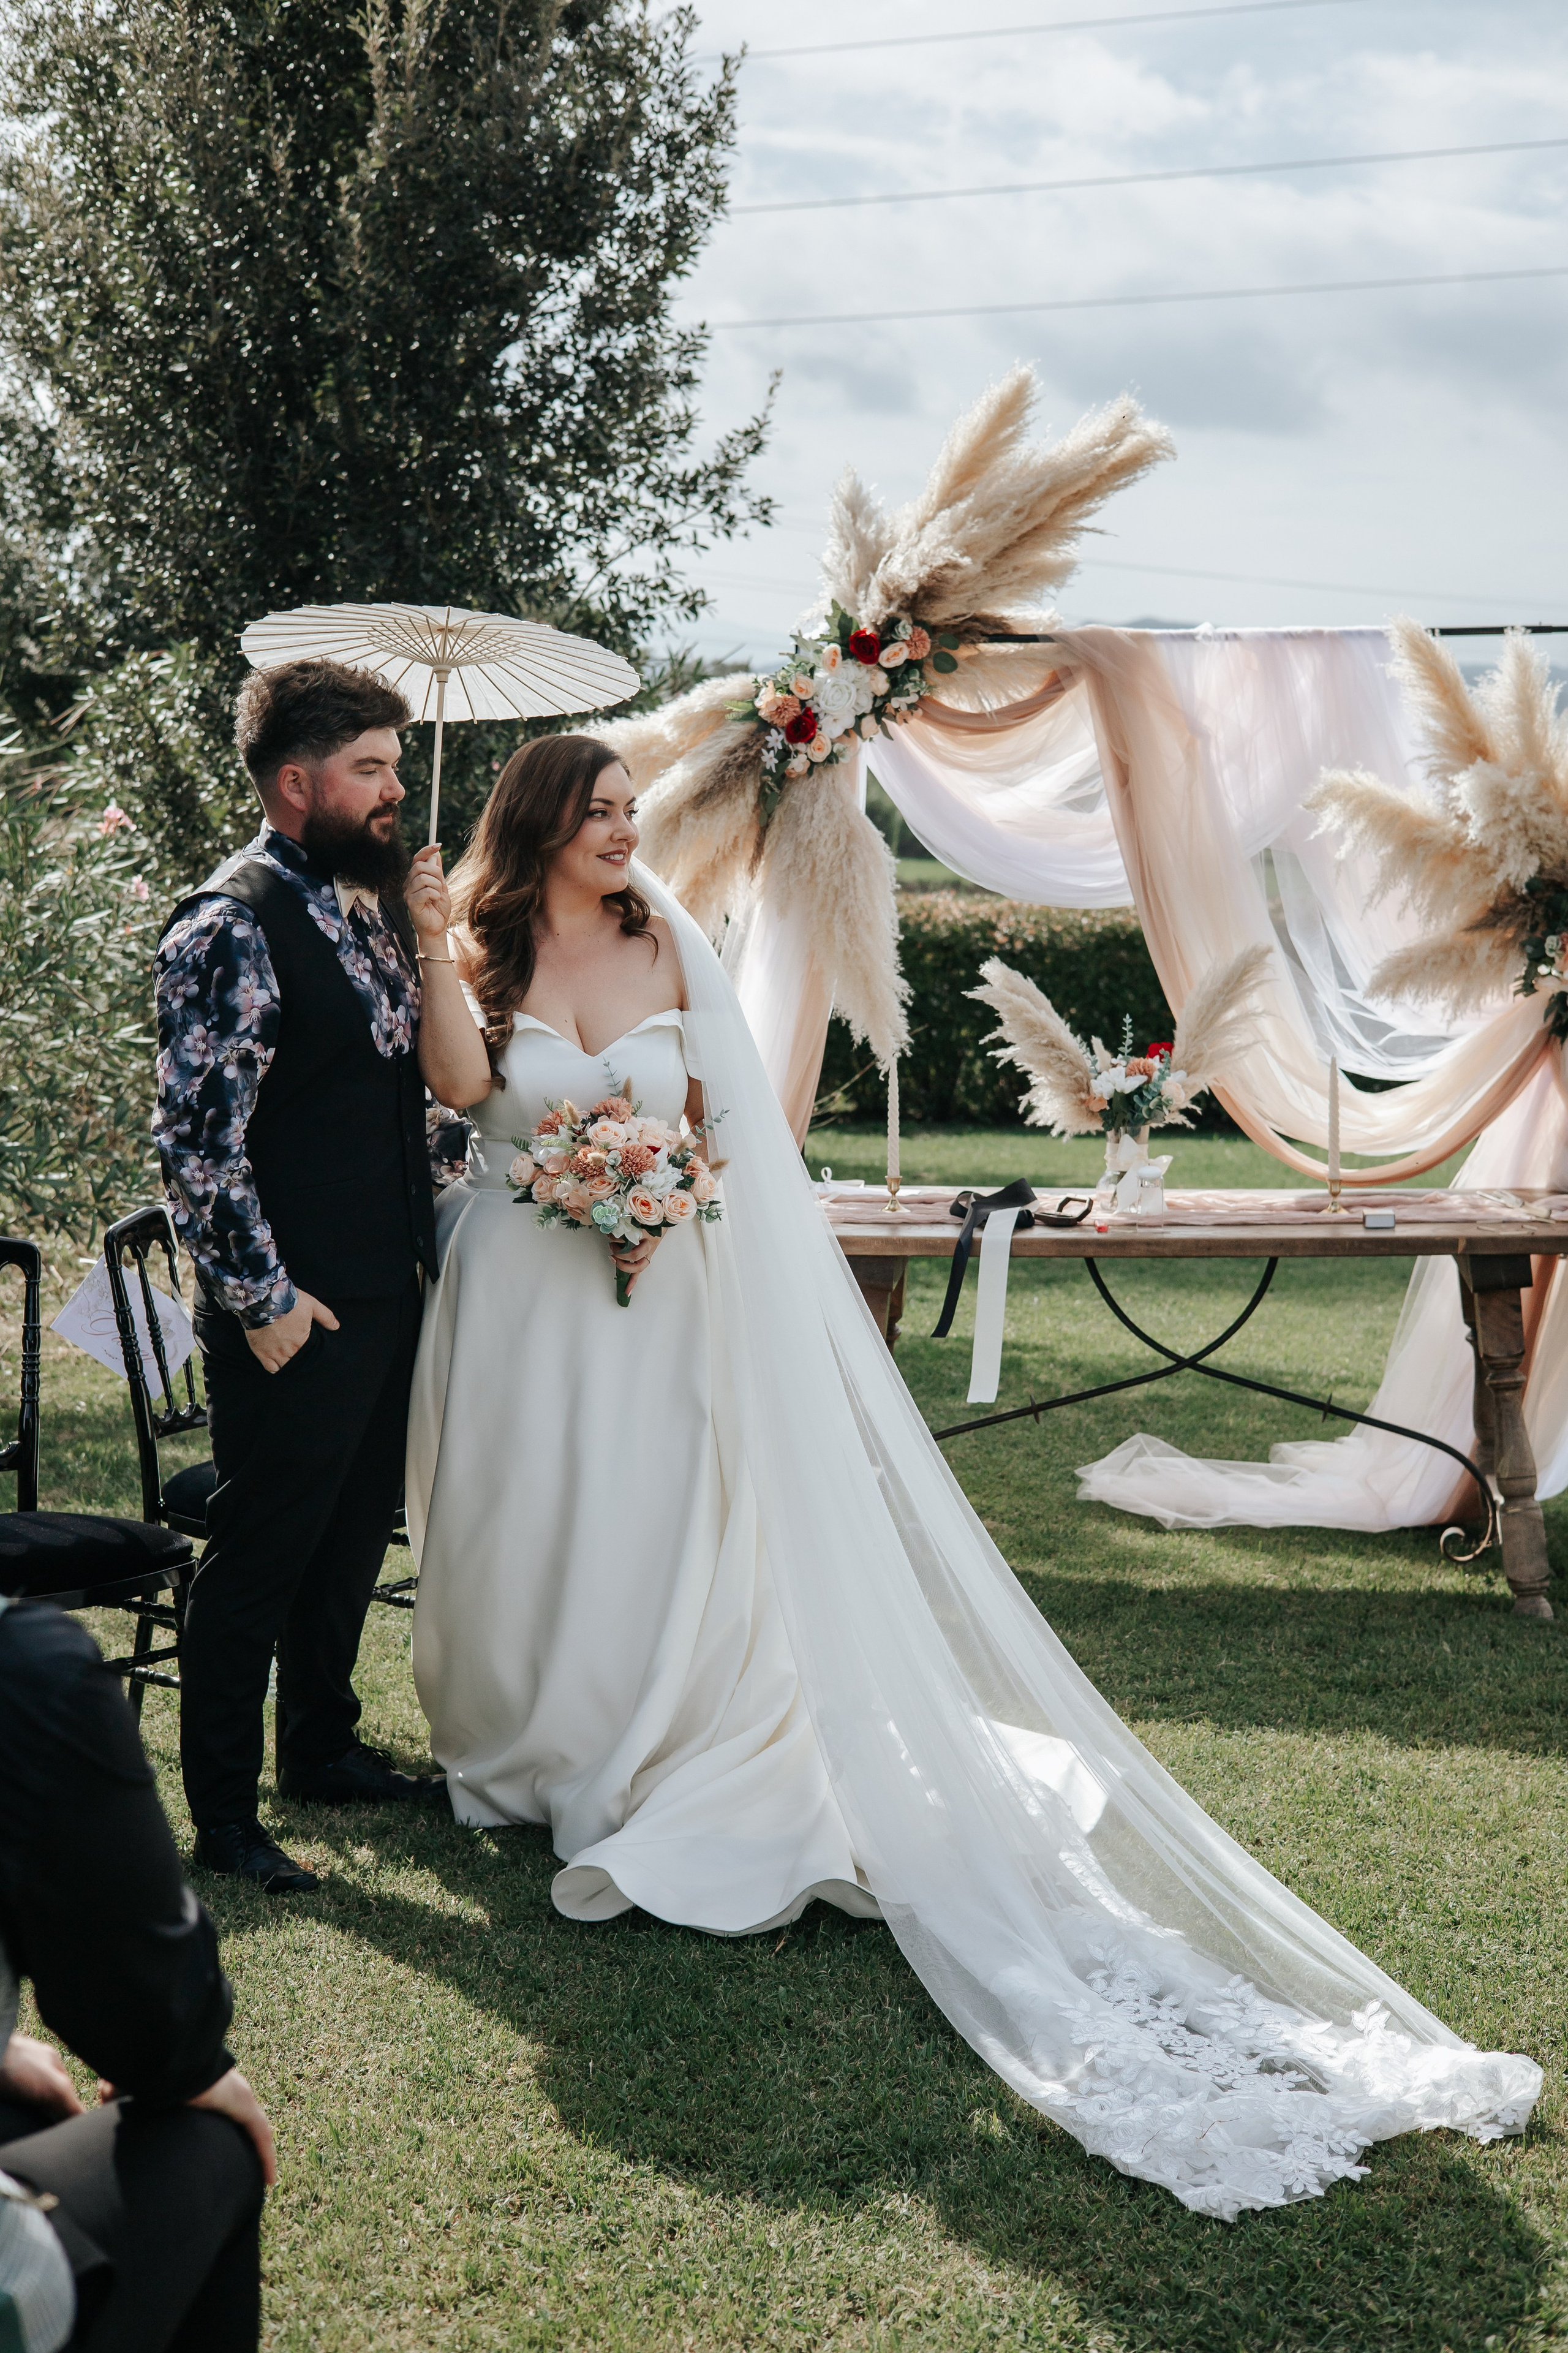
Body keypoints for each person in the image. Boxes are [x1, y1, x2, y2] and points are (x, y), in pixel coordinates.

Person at [403, 732, 1542, 2222]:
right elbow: (461, 1085)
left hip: (656, 1291)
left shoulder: (660, 938)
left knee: (650, 1527)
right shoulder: (473, 950)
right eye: (600, 812)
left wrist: (662, 1196)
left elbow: (723, 1130)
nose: (625, 832)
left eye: (631, 809)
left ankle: (633, 1747)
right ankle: (519, 1742)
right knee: (520, 1527)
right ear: (536, 823)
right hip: (513, 1296)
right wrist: (429, 941)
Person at [154, 659, 449, 1894]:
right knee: (264, 1548)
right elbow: (196, 1142)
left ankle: (319, 1751)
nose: (395, 791)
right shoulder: (229, 921)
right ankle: (222, 1815)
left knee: (347, 1539)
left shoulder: (366, 906)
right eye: (370, 770)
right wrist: (262, 1302)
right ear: (295, 781)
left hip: (387, 1287)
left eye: (394, 766)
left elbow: (394, 1093)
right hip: (298, 1306)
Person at [0, 1596, 274, 2351]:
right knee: (209, 2141)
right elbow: (155, 2021)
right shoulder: (24, 1671)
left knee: (26, 2113)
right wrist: (191, 2067)